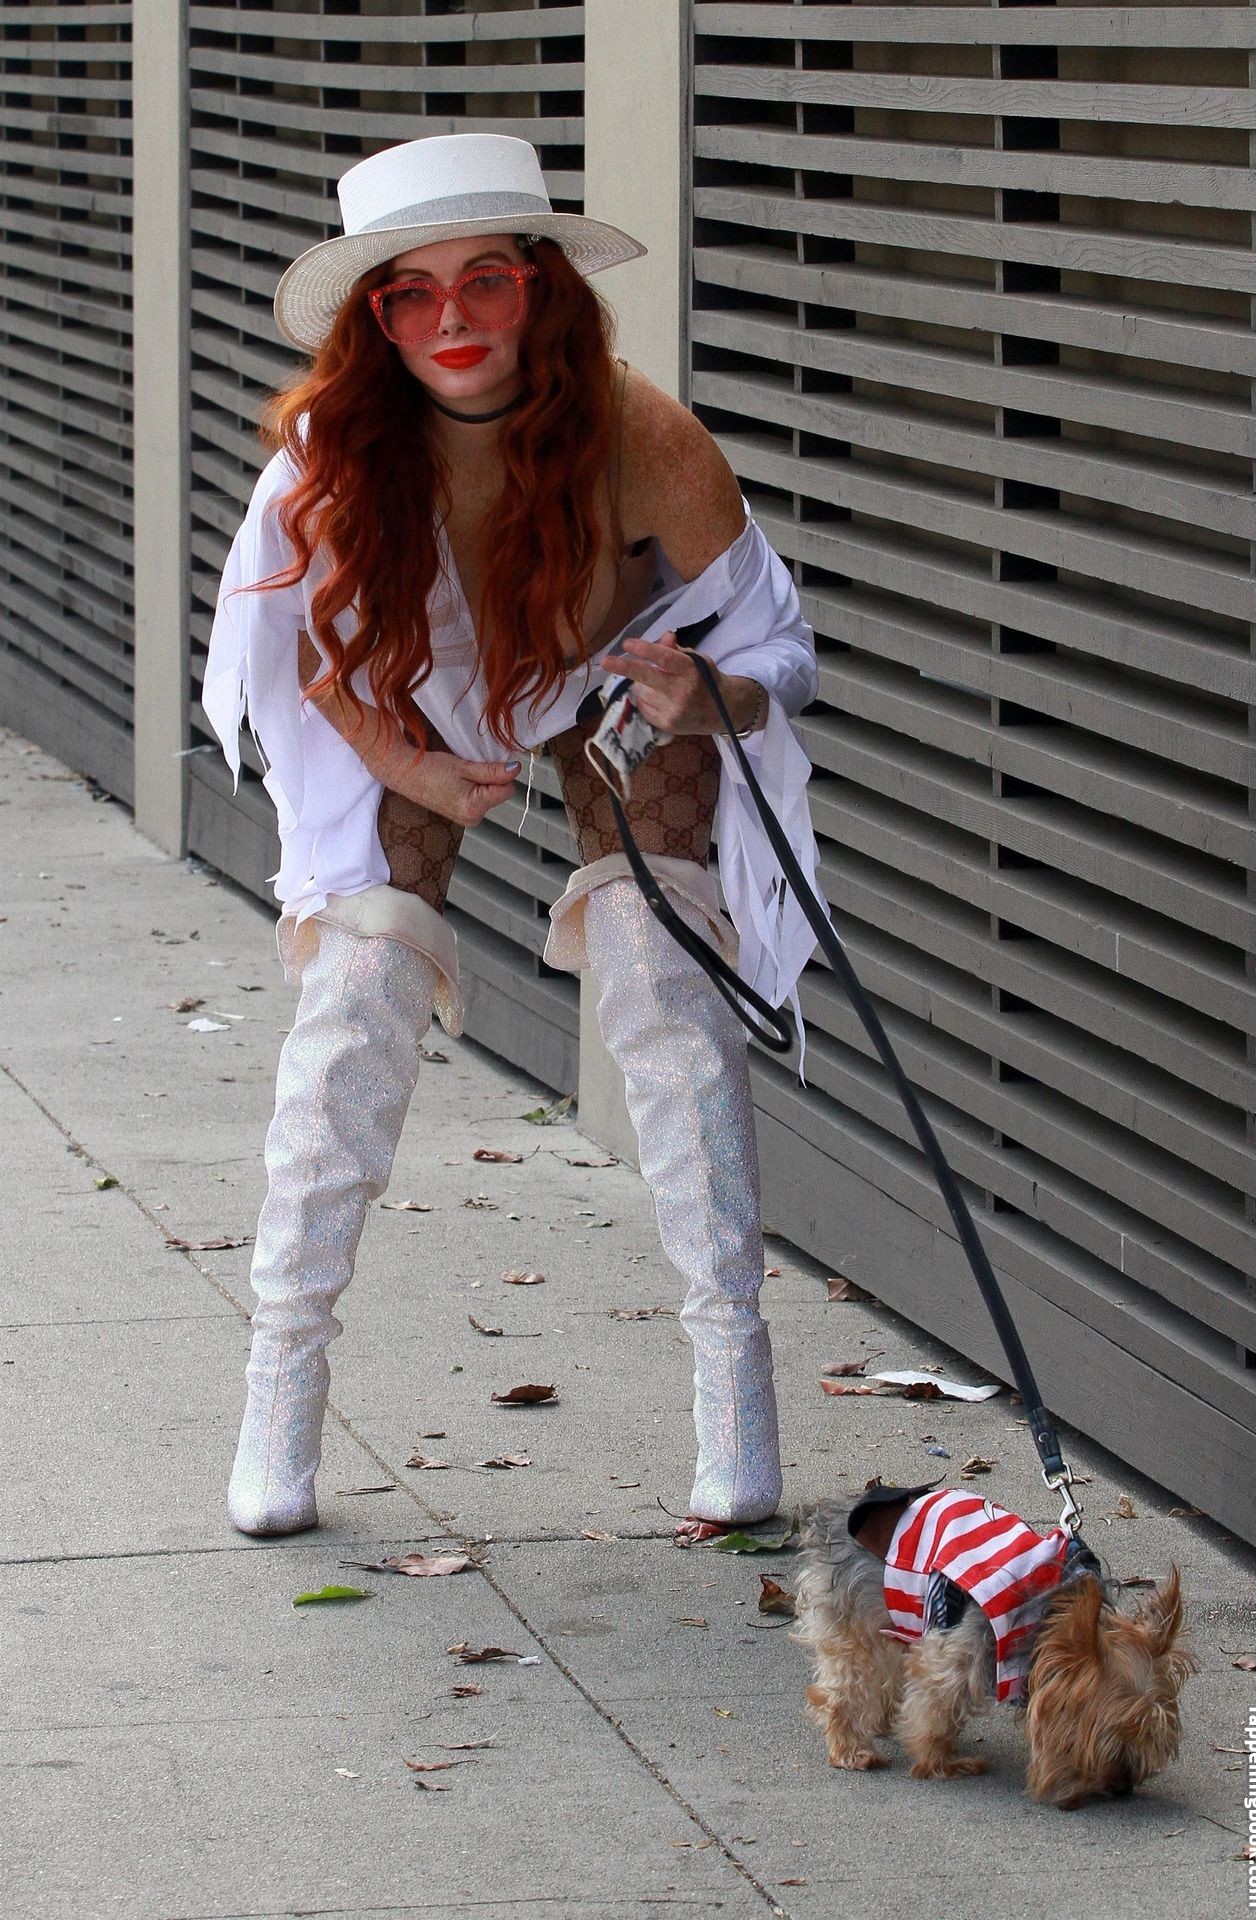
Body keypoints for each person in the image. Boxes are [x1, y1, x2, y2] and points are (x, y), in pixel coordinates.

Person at [202, 132, 822, 1548]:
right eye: (410, 294)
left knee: (663, 976)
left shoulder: (643, 435)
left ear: (541, 286)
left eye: (485, 278)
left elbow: (779, 651)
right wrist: (404, 762)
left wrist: (705, 693)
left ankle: (735, 1392)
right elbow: (292, 654)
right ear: (374, 320)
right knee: (359, 995)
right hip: (409, 707)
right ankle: (279, 1394)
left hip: (614, 685)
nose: (453, 320)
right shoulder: (328, 452)